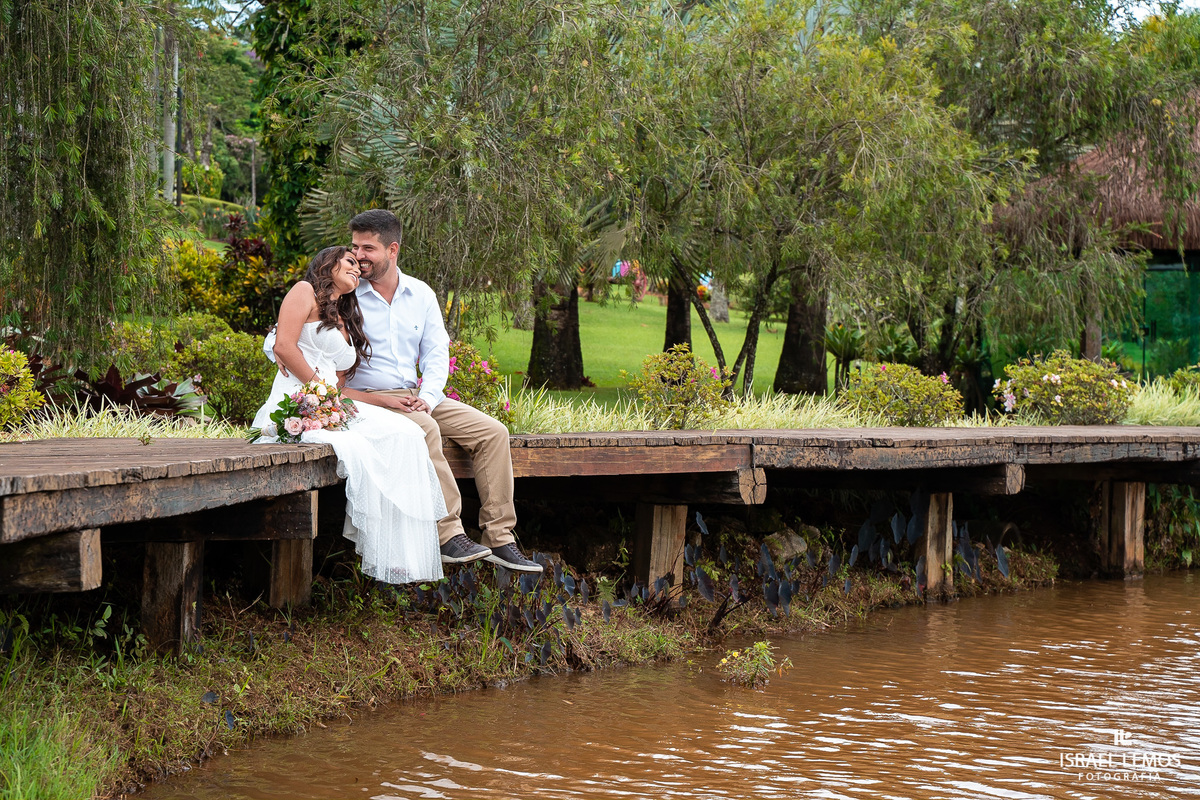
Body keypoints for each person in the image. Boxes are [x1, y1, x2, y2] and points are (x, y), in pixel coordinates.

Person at [346, 208, 543, 573]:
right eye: (355, 246)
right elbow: (306, 341)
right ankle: (448, 533)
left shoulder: (420, 294)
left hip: (413, 396)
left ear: (393, 250)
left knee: (493, 432)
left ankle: (499, 537)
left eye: (367, 248)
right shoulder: (347, 293)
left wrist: (429, 396)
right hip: (369, 400)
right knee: (426, 428)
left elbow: (437, 353)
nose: (358, 256)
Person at [251, 246, 446, 585]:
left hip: (329, 404)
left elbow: (339, 388)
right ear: (330, 263)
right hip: (297, 401)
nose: (357, 269)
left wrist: (384, 403)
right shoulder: (304, 291)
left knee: (408, 434)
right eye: (351, 262)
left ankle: (397, 555)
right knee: (363, 447)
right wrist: (320, 393)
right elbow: (283, 345)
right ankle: (376, 542)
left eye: (359, 265)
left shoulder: (344, 314)